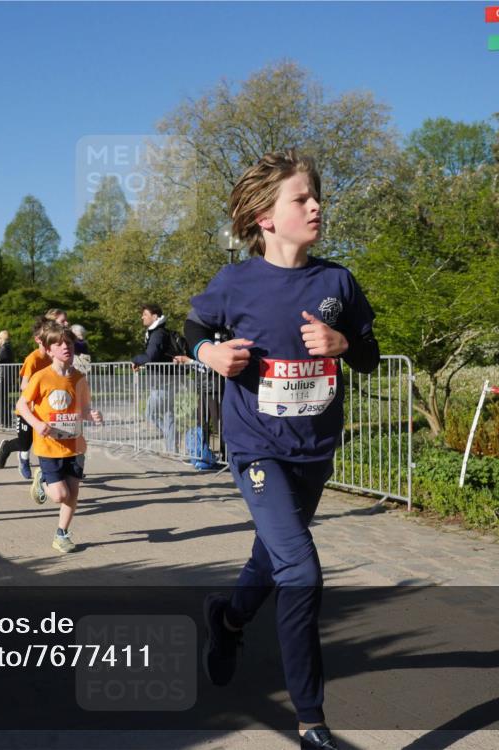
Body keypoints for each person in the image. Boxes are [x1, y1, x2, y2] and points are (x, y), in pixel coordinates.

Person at [186, 150, 379, 750]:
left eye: (315, 196)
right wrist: (207, 354)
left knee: (271, 559)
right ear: (266, 218)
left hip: (314, 451)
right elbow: (195, 327)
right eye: (302, 199)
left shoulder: (336, 282)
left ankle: (228, 618)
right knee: (300, 569)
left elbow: (370, 354)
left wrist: (343, 341)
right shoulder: (235, 281)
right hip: (255, 448)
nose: (316, 205)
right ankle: (311, 719)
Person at [15, 321, 102, 553]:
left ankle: (61, 533)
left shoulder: (79, 378)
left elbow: (83, 409)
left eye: (70, 343)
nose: (66, 347)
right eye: (60, 344)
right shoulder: (41, 377)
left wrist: (92, 415)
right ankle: (42, 477)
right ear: (50, 349)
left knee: (73, 492)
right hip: (49, 446)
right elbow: (22, 404)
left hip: (75, 445)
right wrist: (36, 423)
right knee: (59, 495)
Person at [0, 316, 54, 479]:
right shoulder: (33, 359)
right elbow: (23, 385)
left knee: (47, 439)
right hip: (27, 409)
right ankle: (6, 447)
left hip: (44, 409)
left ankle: (50, 473)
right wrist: (39, 392)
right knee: (24, 443)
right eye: (47, 335)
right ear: (38, 339)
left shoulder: (53, 358)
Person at [131, 304, 178, 454]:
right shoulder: (159, 332)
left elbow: (150, 357)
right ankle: (172, 449)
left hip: (161, 382)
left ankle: (172, 440)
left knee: (150, 414)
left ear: (155, 317)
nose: (142, 317)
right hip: (167, 380)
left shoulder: (157, 333)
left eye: (145, 314)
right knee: (167, 414)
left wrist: (135, 359)